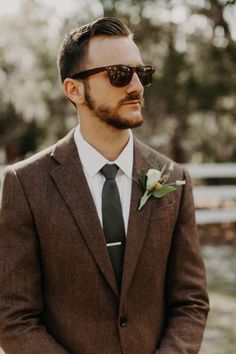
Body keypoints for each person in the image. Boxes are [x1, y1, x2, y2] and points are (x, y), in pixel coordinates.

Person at [0, 17, 209, 354]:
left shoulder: (174, 178)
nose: (137, 86)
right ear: (74, 89)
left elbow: (191, 303)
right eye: (119, 75)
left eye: (143, 73)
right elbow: (14, 320)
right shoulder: (24, 184)